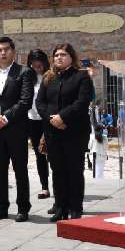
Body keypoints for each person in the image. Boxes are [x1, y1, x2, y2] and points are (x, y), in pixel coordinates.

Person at [0, 36, 36, 222]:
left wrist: (7, 117)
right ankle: (1, 207)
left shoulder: (24, 72)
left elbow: (25, 101)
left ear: (13, 51)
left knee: (20, 170)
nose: (3, 53)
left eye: (6, 49)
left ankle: (23, 207)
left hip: (16, 129)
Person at [36, 43, 94, 222]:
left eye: (63, 54)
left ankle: (76, 207)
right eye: (56, 55)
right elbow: (40, 102)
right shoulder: (49, 77)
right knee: (58, 170)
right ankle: (61, 207)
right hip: (53, 131)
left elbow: (82, 101)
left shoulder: (81, 76)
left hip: (74, 131)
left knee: (74, 170)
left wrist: (63, 117)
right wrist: (52, 119)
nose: (59, 58)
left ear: (71, 57)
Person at [26, 49, 51, 200]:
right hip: (32, 120)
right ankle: (45, 187)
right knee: (39, 154)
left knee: (53, 154)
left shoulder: (50, 77)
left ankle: (61, 186)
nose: (37, 68)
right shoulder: (27, 78)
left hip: (48, 119)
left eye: (39, 66)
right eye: (34, 66)